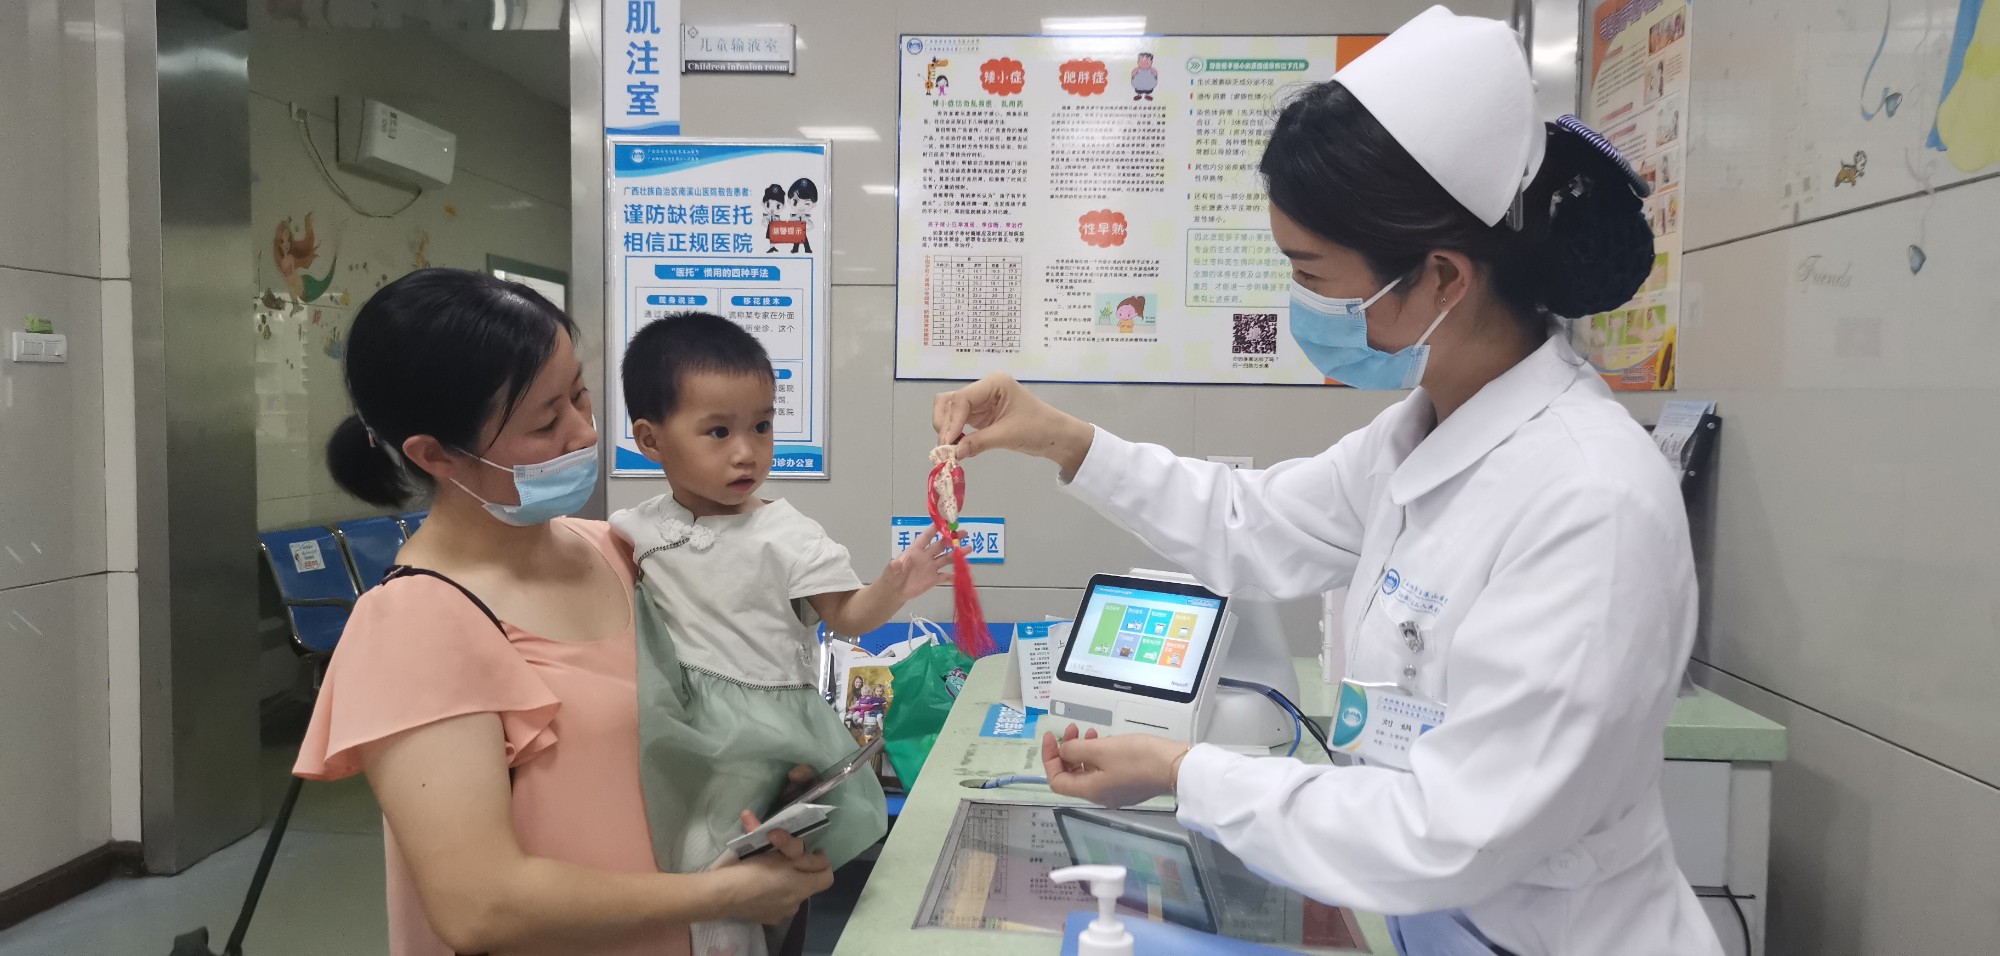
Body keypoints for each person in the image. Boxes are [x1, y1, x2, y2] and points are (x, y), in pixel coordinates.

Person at [931, 8, 1720, 956]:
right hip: (1441, 925)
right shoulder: (1423, 433)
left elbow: (1450, 832)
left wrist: (1187, 772)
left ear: (1441, 277)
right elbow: (1251, 523)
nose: (1302, 304)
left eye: (1311, 273)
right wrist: (1059, 437)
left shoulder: (1593, 502)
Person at [297, 269, 832, 956]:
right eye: (546, 421)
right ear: (435, 455)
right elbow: (479, 904)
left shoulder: (624, 550)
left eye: (580, 395)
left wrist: (773, 780)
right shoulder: (414, 625)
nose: (582, 434)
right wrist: (726, 894)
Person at [610, 312, 952, 891]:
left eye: (762, 426)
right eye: (719, 432)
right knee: (667, 838)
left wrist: (893, 587)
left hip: (761, 722)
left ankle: (731, 921)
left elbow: (847, 616)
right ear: (650, 440)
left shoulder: (789, 535)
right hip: (673, 714)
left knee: (719, 853)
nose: (747, 452)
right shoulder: (633, 529)